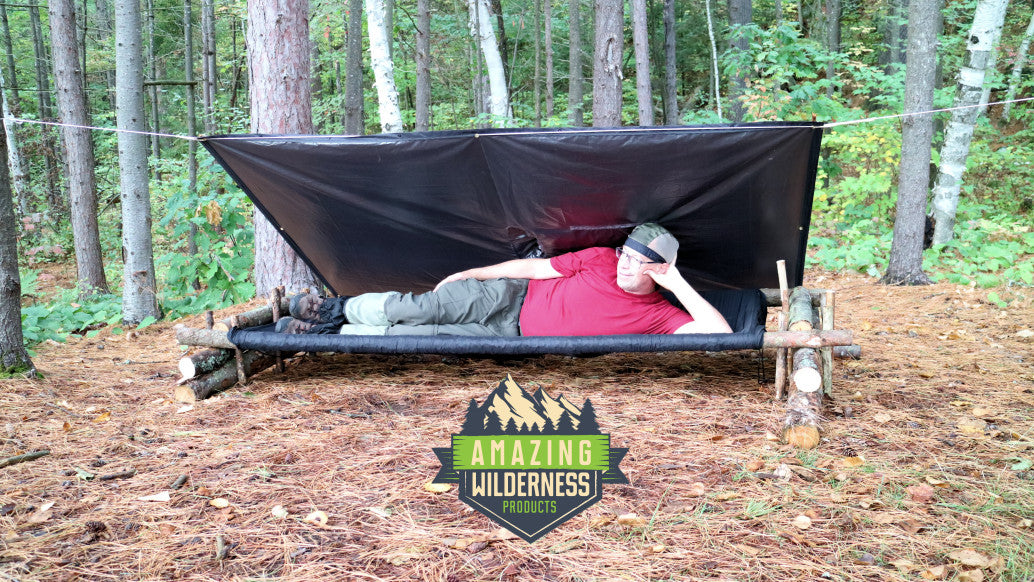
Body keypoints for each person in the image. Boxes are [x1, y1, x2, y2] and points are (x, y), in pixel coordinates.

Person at [275, 223, 733, 336]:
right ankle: (331, 310)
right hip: (508, 295)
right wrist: (471, 272)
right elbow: (533, 268)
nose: (624, 264)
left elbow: (721, 334)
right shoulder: (597, 259)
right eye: (625, 254)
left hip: (508, 332)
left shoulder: (658, 314)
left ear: (659, 270)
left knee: (425, 335)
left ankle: (331, 331)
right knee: (413, 309)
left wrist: (678, 285)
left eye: (637, 261)